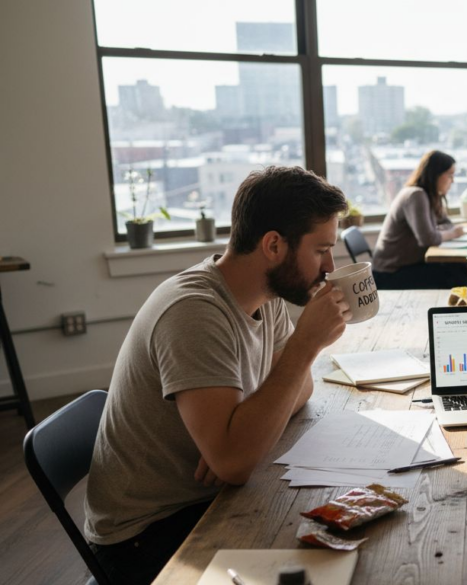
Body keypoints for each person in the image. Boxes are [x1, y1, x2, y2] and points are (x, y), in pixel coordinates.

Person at [84, 166, 352, 584]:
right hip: (146, 533)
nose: (329, 268)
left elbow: (301, 389)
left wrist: (239, 436)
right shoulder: (193, 313)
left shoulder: (267, 294)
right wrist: (304, 345)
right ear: (274, 245)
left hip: (209, 495)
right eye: (321, 251)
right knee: (333, 560)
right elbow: (235, 463)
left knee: (346, 527)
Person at [372, 150, 467, 289]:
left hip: (404, 267)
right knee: (457, 273)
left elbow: (446, 223)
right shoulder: (416, 195)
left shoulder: (428, 196)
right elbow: (428, 239)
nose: (452, 181)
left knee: (458, 268)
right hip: (389, 273)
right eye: (450, 175)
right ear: (435, 174)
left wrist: (438, 231)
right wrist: (453, 233)